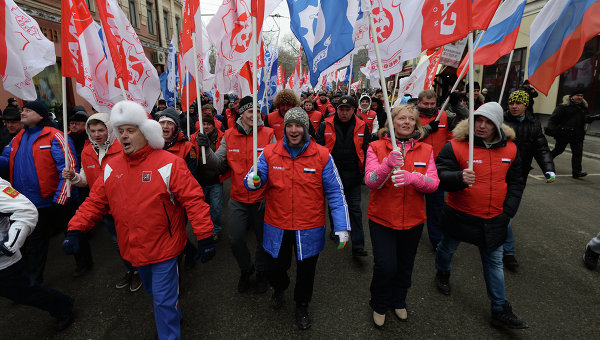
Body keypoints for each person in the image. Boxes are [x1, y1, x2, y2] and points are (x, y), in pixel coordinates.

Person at [63, 100, 215, 340]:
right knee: (155, 293)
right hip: (133, 249)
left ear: (146, 132)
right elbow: (95, 202)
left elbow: (194, 201)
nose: (124, 136)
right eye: (120, 130)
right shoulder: (112, 166)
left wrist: (205, 236)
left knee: (163, 301)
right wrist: (75, 229)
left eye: (130, 130)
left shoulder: (169, 163)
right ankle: (171, 311)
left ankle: (169, 326)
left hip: (165, 248)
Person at [245, 107, 350, 330]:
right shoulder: (270, 152)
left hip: (309, 226)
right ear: (284, 128)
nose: (294, 130)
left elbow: (335, 191)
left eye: (298, 125)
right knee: (274, 268)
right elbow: (255, 177)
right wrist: (252, 181)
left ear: (306, 128)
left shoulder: (321, 154)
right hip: (277, 224)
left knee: (306, 271)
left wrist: (341, 226)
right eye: (290, 125)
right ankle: (280, 287)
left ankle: (302, 304)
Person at [434, 102, 528, 329]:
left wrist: (508, 212)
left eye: (488, 122)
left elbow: (516, 183)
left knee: (495, 262)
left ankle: (499, 308)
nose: (482, 126)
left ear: (498, 125)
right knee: (447, 248)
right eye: (478, 120)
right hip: (459, 214)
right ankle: (442, 273)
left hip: (494, 219)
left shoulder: (511, 149)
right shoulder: (455, 146)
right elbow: (438, 175)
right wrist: (458, 177)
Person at [364, 104, 439, 327]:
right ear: (392, 122)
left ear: (416, 123)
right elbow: (371, 181)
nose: (406, 122)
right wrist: (387, 164)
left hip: (413, 220)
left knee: (405, 265)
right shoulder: (375, 147)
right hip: (382, 219)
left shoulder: (426, 150)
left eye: (411, 119)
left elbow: (433, 184)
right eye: (401, 118)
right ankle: (378, 303)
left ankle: (398, 300)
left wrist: (413, 178)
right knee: (385, 266)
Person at [199, 95, 275, 294]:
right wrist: (205, 147)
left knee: (262, 239)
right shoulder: (230, 135)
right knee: (235, 239)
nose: (255, 115)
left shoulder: (268, 133)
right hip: (238, 199)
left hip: (261, 199)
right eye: (251, 111)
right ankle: (245, 268)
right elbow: (215, 162)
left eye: (257, 111)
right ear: (242, 114)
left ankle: (260, 271)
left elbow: (276, 164)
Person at [61, 113, 141, 291]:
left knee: (133, 241)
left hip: (126, 206)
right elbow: (86, 180)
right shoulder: (87, 151)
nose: (97, 134)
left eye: (101, 130)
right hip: (105, 209)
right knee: (117, 243)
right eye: (93, 130)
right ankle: (132, 270)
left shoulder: (122, 147)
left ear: (110, 130)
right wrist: (74, 177)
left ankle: (142, 271)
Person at [0, 101, 77, 283]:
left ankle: (84, 263)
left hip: (55, 200)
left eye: (28, 110)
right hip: (30, 203)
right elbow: (5, 159)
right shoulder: (18, 137)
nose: (23, 113)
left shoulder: (55, 135)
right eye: (23, 110)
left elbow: (68, 167)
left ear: (40, 115)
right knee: (35, 244)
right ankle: (34, 281)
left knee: (72, 233)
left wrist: (61, 197)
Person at [0, 178, 74, 331]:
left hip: (5, 264)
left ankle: (62, 305)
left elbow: (26, 209)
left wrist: (8, 245)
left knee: (24, 292)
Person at [502, 90, 556, 270]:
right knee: (504, 213)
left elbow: (541, 149)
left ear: (526, 105)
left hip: (519, 175)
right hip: (498, 173)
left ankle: (503, 247)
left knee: (507, 212)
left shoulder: (534, 124)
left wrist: (548, 169)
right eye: (511, 103)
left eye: (518, 103)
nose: (514, 106)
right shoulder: (499, 120)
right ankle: (508, 252)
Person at [316, 95, 370, 257]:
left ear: (354, 110)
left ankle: (358, 245)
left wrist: (364, 172)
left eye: (348, 109)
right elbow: (318, 148)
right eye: (341, 109)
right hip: (332, 174)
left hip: (353, 174)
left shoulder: (362, 125)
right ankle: (336, 230)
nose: (344, 113)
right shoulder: (326, 124)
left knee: (354, 209)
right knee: (335, 205)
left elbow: (367, 149)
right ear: (337, 109)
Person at [417, 90, 458, 250]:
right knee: (417, 204)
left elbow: (450, 136)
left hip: (438, 167)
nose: (429, 107)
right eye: (425, 104)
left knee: (436, 206)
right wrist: (427, 128)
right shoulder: (413, 116)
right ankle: (413, 232)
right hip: (418, 166)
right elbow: (409, 137)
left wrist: (449, 153)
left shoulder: (444, 115)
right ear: (419, 102)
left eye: (432, 104)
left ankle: (436, 239)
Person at [549, 86, 600, 178]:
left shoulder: (583, 107)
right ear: (572, 96)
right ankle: (546, 161)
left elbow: (585, 119)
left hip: (577, 134)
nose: (580, 97)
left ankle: (576, 172)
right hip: (564, 133)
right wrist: (552, 130)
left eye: (581, 95)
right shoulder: (563, 106)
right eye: (578, 95)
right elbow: (553, 119)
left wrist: (594, 117)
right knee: (558, 150)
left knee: (578, 153)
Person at [192, 112, 226, 241]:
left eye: (209, 124)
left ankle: (215, 229)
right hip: (200, 180)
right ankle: (205, 231)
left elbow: (225, 159)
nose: (206, 127)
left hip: (216, 180)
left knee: (216, 208)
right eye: (203, 124)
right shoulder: (194, 138)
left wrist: (217, 171)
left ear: (214, 125)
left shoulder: (222, 137)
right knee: (203, 208)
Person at [157, 107, 198, 177]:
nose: (165, 126)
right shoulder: (152, 145)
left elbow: (191, 175)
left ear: (176, 127)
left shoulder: (187, 147)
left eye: (170, 123)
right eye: (162, 123)